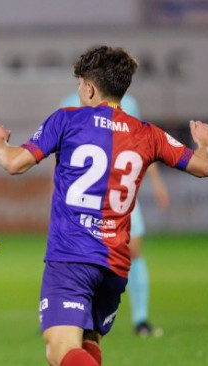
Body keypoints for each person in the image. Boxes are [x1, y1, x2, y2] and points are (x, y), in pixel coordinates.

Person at [0, 45, 208, 366]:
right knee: (88, 341)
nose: (78, 91)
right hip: (115, 265)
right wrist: (206, 143)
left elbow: (15, 164)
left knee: (59, 350)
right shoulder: (148, 134)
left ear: (90, 88)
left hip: (72, 258)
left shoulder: (66, 120)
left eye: (80, 84)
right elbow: (204, 166)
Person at [59, 93, 170, 337]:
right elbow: (60, 151)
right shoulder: (68, 102)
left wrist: (157, 183)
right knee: (80, 254)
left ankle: (141, 319)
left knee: (134, 249)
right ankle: (72, 316)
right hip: (84, 197)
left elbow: (143, 144)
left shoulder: (128, 102)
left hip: (120, 194)